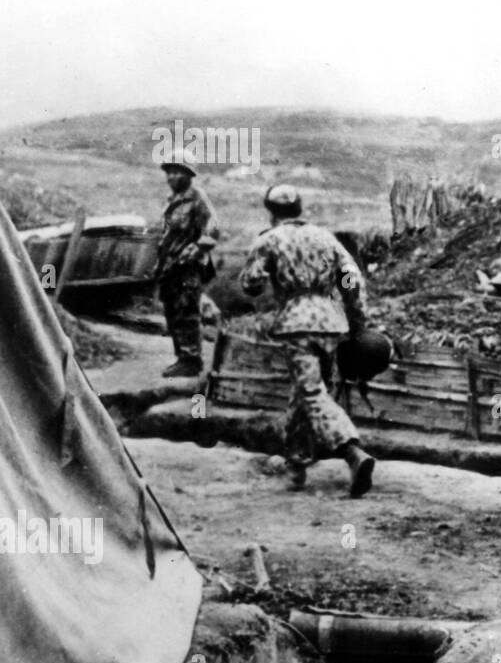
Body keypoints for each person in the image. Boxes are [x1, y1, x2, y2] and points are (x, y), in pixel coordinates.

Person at [239, 185, 377, 497]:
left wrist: (267, 269)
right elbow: (351, 281)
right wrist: (358, 325)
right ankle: (296, 465)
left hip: (296, 324)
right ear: (299, 209)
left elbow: (251, 284)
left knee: (312, 392)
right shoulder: (326, 238)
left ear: (271, 211)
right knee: (309, 391)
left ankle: (353, 452)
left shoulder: (269, 239)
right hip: (331, 322)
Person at [154, 160, 219, 377]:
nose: (171, 177)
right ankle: (182, 358)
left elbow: (212, 230)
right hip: (170, 266)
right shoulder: (172, 201)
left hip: (188, 267)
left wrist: (195, 249)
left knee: (186, 311)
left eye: (176, 173)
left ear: (188, 175)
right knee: (172, 311)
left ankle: (191, 360)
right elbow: (167, 236)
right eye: (169, 173)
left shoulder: (197, 199)